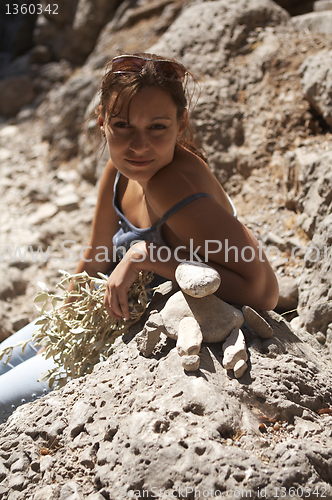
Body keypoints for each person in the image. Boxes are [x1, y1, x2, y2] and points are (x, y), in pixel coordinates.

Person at [0, 53, 279, 423]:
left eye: (157, 128)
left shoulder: (173, 187)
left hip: (142, 331)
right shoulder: (118, 172)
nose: (138, 145)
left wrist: (145, 256)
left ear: (182, 124)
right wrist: (63, 318)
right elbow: (96, 255)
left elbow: (264, 291)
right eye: (122, 125)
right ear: (102, 122)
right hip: (104, 316)